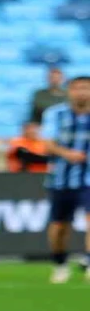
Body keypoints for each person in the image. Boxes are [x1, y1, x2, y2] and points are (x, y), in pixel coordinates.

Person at [39, 77, 90, 284]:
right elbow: (47, 144)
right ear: (68, 91)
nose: (81, 92)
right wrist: (67, 154)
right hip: (60, 178)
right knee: (59, 226)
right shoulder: (55, 114)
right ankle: (60, 263)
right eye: (77, 88)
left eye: (85, 88)